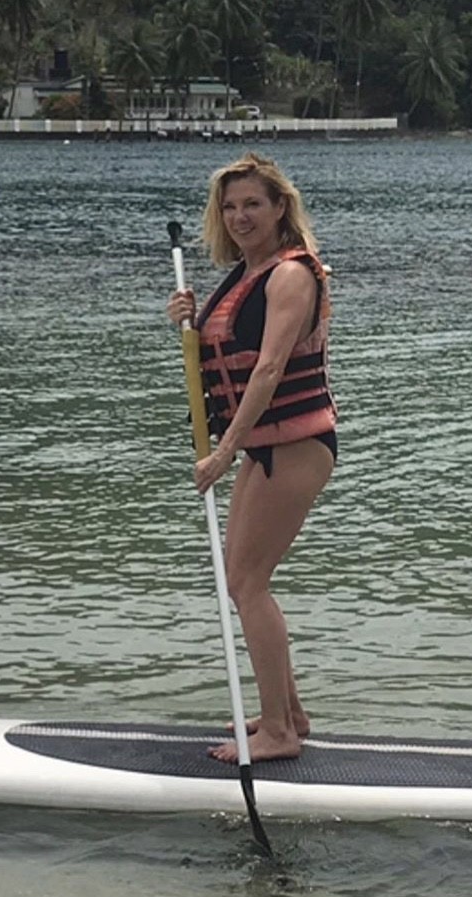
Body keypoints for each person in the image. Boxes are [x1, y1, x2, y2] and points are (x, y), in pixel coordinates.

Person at [167, 152, 337, 762]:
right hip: (264, 446)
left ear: (279, 208)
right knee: (240, 583)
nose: (239, 216)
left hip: (292, 443)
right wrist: (190, 323)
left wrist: (222, 452)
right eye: (230, 206)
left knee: (249, 583)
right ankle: (290, 713)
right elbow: (222, 354)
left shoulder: (289, 274)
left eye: (252, 205)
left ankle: (278, 733)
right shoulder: (243, 274)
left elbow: (267, 370)